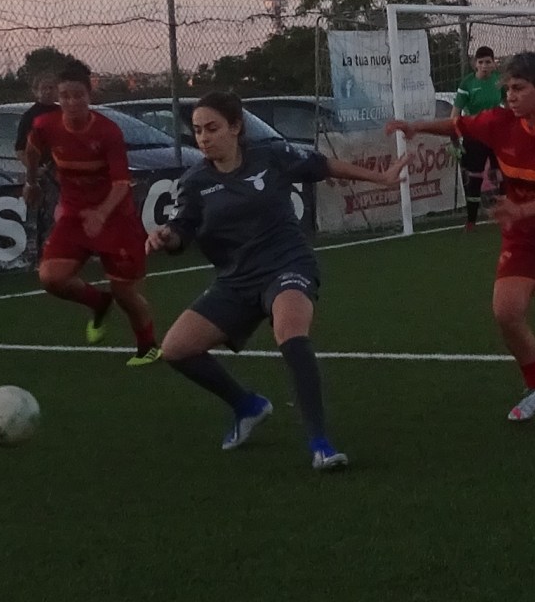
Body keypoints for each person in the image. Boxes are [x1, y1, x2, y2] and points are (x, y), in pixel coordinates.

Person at [145, 90, 410, 471]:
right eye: (198, 130)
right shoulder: (194, 182)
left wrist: (380, 178)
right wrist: (166, 237)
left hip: (287, 263)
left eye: (212, 128)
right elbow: (181, 230)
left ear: (236, 127)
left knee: (290, 332)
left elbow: (323, 165)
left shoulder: (271, 156)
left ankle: (320, 444)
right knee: (176, 349)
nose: (203, 137)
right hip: (236, 280)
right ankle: (246, 405)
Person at [387, 52, 535, 420]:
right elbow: (459, 126)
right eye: (508, 89)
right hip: (526, 238)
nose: (511, 96)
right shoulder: (499, 122)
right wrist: (416, 127)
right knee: (506, 311)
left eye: (519, 88)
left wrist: (518, 211)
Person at [23, 58, 159, 366]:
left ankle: (148, 347)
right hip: (74, 216)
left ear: (89, 96)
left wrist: (100, 213)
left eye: (78, 96)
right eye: (65, 96)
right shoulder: (45, 125)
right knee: (51, 278)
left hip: (116, 219)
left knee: (125, 293)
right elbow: (32, 150)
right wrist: (31, 182)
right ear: (58, 98)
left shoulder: (108, 132)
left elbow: (121, 183)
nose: (72, 102)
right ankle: (98, 303)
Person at [451, 46, 504, 231]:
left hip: (496, 134)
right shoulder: (468, 84)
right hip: (474, 136)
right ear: (475, 64)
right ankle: (471, 221)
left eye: (488, 62)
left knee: (502, 174)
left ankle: (504, 214)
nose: (484, 66)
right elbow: (455, 114)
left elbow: (509, 104)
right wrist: (454, 138)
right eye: (481, 62)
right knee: (475, 177)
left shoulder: (500, 81)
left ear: (494, 64)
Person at [15, 72, 61, 252]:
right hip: (44, 175)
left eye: (51, 88)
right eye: (44, 88)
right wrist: (34, 170)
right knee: (46, 216)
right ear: (36, 91)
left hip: (64, 171)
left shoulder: (63, 113)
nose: (48, 91)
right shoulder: (30, 116)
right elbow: (20, 150)